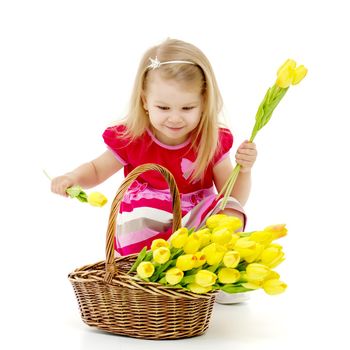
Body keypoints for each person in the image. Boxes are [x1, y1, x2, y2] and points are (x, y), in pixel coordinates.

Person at [51, 38, 257, 303]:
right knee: (149, 214)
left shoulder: (211, 140)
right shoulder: (131, 137)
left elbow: (233, 196)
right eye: (163, 107)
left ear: (204, 104)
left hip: (194, 221)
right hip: (147, 221)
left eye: (187, 108)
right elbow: (96, 169)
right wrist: (73, 178)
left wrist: (245, 170)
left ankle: (209, 273)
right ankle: (147, 275)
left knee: (229, 212)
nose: (175, 117)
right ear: (145, 101)